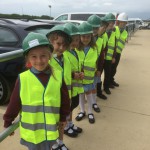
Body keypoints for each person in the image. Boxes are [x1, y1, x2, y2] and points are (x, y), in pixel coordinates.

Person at [3, 32, 70, 150]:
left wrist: (63, 117)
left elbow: (65, 100)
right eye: (34, 56)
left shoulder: (58, 76)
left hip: (50, 131)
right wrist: (8, 120)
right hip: (32, 132)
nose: (39, 60)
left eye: (43, 55)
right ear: (28, 58)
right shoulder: (23, 79)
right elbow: (14, 102)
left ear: (49, 55)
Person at [47, 25, 72, 150]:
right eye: (58, 44)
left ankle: (60, 142)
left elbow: (67, 74)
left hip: (64, 96)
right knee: (53, 123)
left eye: (65, 45)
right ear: (51, 41)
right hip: (53, 98)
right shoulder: (47, 60)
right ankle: (54, 144)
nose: (61, 48)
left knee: (62, 121)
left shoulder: (65, 56)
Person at [63, 23, 84, 137]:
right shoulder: (64, 54)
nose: (75, 42)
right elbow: (63, 71)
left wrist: (80, 73)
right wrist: (73, 75)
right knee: (68, 107)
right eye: (72, 40)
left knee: (73, 105)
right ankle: (65, 126)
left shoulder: (75, 51)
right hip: (68, 87)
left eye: (77, 39)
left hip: (75, 87)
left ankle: (70, 123)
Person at [75, 21, 98, 124]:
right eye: (83, 37)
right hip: (79, 77)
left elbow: (95, 61)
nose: (85, 39)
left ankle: (90, 112)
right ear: (79, 37)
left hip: (89, 77)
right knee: (81, 94)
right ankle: (82, 111)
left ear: (91, 37)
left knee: (88, 94)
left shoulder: (94, 48)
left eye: (88, 37)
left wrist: (97, 70)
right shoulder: (76, 49)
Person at [110, 12, 128, 87]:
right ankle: (108, 83)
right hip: (112, 53)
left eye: (124, 23)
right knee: (110, 69)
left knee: (114, 69)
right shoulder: (114, 29)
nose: (123, 24)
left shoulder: (125, 32)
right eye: (121, 22)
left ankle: (111, 80)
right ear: (118, 22)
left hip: (118, 53)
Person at [103, 13, 117, 95]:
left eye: (113, 22)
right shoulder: (102, 33)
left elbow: (114, 46)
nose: (111, 24)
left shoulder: (114, 33)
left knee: (107, 74)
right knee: (98, 76)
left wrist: (114, 57)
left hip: (109, 58)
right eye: (110, 22)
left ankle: (106, 87)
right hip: (102, 59)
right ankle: (98, 91)